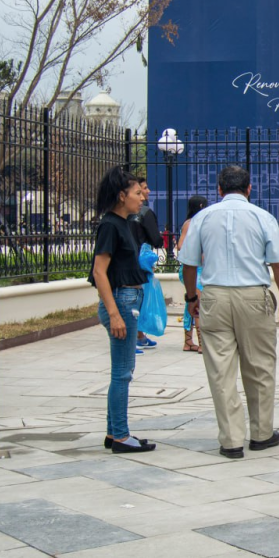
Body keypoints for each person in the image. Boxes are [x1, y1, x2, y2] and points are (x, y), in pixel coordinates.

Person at [179, 166, 279, 459]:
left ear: (219, 189)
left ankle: (230, 440)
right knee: (260, 367)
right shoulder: (262, 217)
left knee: (221, 370)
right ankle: (262, 433)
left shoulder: (202, 218)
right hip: (253, 295)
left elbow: (189, 264)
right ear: (249, 188)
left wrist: (192, 296)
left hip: (215, 295)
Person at [88, 166, 155, 454]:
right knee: (122, 373)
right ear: (121, 196)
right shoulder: (110, 225)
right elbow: (99, 271)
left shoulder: (123, 223)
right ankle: (120, 435)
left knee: (122, 371)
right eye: (137, 193)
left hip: (127, 302)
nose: (142, 198)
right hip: (121, 303)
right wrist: (114, 313)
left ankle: (114, 431)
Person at [129, 177, 164, 353]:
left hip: (129, 259)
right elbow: (155, 239)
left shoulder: (121, 214)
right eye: (143, 188)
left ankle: (139, 335)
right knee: (138, 298)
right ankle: (133, 337)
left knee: (134, 297)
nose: (147, 192)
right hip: (141, 261)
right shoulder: (145, 213)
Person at [176, 195, 209, 354]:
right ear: (201, 206)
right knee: (198, 305)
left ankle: (188, 341)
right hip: (193, 270)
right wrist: (201, 253)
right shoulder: (190, 224)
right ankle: (202, 343)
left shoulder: (199, 223)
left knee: (191, 304)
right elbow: (181, 245)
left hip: (199, 270)